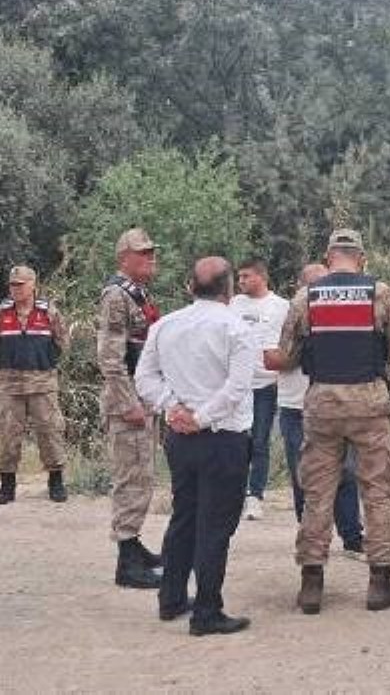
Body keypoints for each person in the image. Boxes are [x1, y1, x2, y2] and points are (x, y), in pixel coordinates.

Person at [267, 229, 390, 614]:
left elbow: (287, 355)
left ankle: (311, 583)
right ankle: (380, 581)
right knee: (376, 492)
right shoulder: (379, 292)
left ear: (328, 258)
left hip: (321, 404)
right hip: (368, 401)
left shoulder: (305, 297)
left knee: (318, 493)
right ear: (360, 259)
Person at [136, 256, 254, 636]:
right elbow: (236, 389)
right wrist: (200, 417)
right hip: (223, 437)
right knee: (215, 525)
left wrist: (173, 408)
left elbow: (144, 378)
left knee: (184, 516)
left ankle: (171, 598)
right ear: (229, 287)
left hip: (180, 438)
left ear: (190, 285)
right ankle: (207, 610)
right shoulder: (235, 327)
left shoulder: (166, 325)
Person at [276, 263, 365, 557]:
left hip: (337, 405)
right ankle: (311, 541)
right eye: (312, 286)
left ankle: (352, 536)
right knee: (304, 476)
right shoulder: (284, 313)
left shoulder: (345, 310)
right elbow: (277, 358)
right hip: (295, 405)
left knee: (347, 472)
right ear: (301, 288)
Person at [96, 228, 165, 589]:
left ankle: (133, 544)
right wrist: (128, 403)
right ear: (123, 258)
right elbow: (110, 358)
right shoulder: (116, 296)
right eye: (143, 253)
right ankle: (127, 560)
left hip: (142, 399)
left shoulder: (137, 295)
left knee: (142, 476)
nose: (150, 258)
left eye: (152, 252)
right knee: (131, 478)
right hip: (129, 404)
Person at [0, 265, 69, 505]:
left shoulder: (48, 313)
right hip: (9, 386)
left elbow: (62, 342)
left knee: (50, 432)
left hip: (42, 383)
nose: (16, 289)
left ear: (33, 285)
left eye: (21, 285)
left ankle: (56, 482)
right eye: (13, 285)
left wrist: (45, 361)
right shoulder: (0, 313)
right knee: (7, 435)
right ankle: (7, 485)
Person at [230, 257, 290, 522]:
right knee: (236, 440)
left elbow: (289, 342)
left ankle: (255, 494)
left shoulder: (281, 306)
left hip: (266, 383)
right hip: (237, 384)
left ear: (261, 277)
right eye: (239, 277)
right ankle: (236, 493)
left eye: (245, 276)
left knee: (260, 440)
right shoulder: (234, 304)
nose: (241, 281)